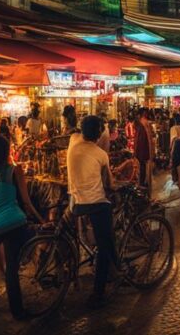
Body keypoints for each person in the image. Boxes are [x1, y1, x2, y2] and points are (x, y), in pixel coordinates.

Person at [0, 132, 41, 319]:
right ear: (6, 151)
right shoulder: (14, 170)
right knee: (12, 270)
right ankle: (18, 312)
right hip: (15, 223)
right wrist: (41, 220)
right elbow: (26, 202)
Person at [66, 116, 117, 308]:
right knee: (105, 244)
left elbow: (73, 132)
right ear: (98, 134)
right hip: (95, 203)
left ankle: (114, 267)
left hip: (75, 202)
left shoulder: (73, 140)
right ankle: (99, 291)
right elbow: (109, 184)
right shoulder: (101, 154)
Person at [134, 109, 152, 188]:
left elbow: (139, 139)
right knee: (142, 165)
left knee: (142, 165)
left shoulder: (142, 124)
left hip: (142, 149)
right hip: (143, 149)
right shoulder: (142, 124)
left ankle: (142, 182)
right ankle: (142, 182)